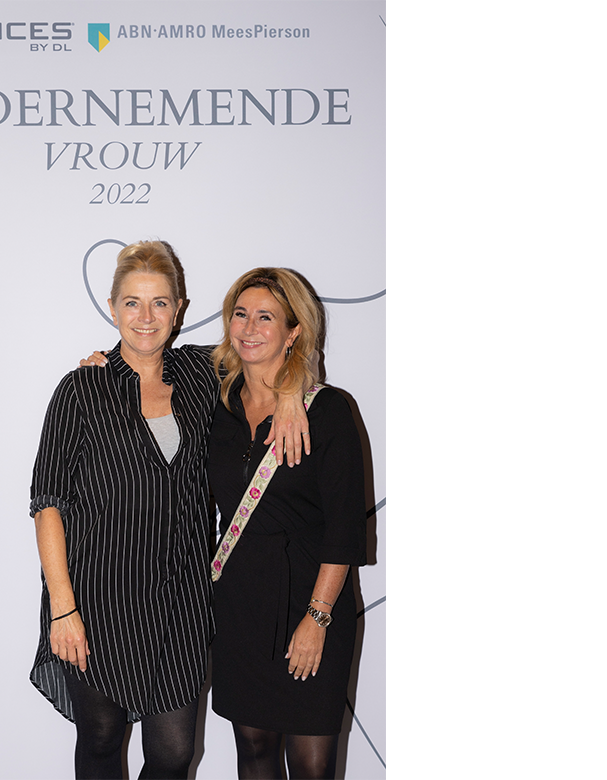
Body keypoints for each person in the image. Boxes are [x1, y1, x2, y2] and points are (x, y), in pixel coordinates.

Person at [30, 241, 309, 780]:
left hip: (181, 604)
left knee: (174, 754)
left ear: (179, 309)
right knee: (101, 740)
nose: (146, 317)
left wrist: (292, 392)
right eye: (132, 303)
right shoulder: (81, 390)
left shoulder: (203, 375)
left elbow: (266, 355)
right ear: (112, 308)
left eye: (159, 302)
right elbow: (48, 505)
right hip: (97, 601)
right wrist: (63, 609)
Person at [207, 268, 367, 780]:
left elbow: (344, 530)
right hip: (239, 605)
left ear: (293, 331)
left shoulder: (328, 411)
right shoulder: (214, 399)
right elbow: (148, 356)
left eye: (266, 317)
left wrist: (317, 618)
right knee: (253, 753)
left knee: (311, 766)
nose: (249, 328)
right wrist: (99, 362)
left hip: (310, 603)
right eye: (240, 314)